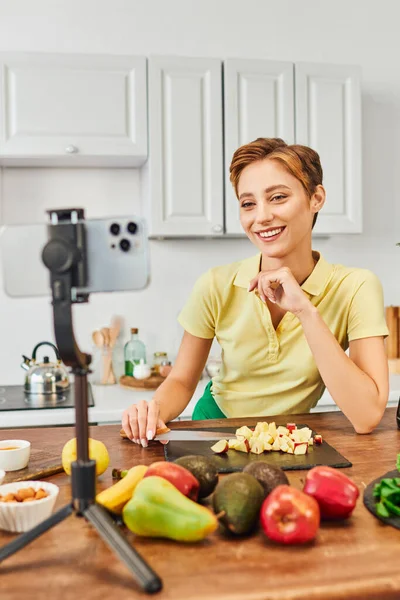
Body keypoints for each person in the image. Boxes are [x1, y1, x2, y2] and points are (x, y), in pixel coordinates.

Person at [122, 137, 389, 446]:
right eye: (248, 203)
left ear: (316, 198)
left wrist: (305, 311)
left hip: (289, 441)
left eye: (277, 197)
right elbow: (181, 381)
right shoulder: (217, 284)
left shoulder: (356, 287)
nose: (261, 217)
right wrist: (152, 411)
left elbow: (367, 417)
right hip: (212, 431)